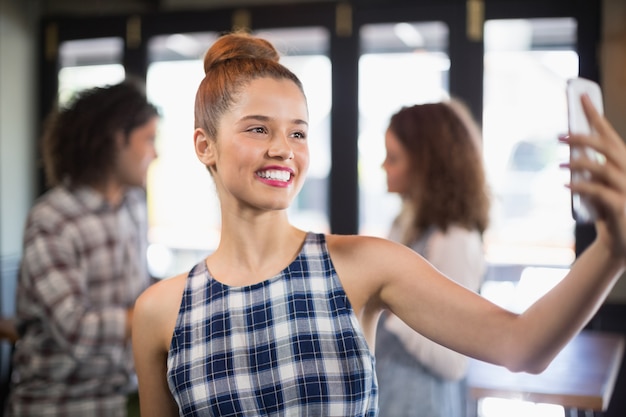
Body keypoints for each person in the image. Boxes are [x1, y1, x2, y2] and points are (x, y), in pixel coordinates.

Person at [132, 31, 626, 417]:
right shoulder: (159, 312)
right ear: (204, 146)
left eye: (298, 132)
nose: (283, 148)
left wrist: (611, 250)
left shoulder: (364, 265)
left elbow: (523, 346)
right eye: (259, 128)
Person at [7, 80, 159, 417]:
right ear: (117, 138)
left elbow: (141, 291)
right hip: (59, 406)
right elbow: (76, 331)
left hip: (123, 400)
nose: (155, 153)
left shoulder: (133, 205)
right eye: (148, 140)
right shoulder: (53, 219)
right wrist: (157, 313)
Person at [375, 100, 490, 417]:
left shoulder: (454, 240)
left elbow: (454, 363)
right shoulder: (405, 224)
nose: (383, 166)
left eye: (393, 157)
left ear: (425, 165)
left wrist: (390, 307)